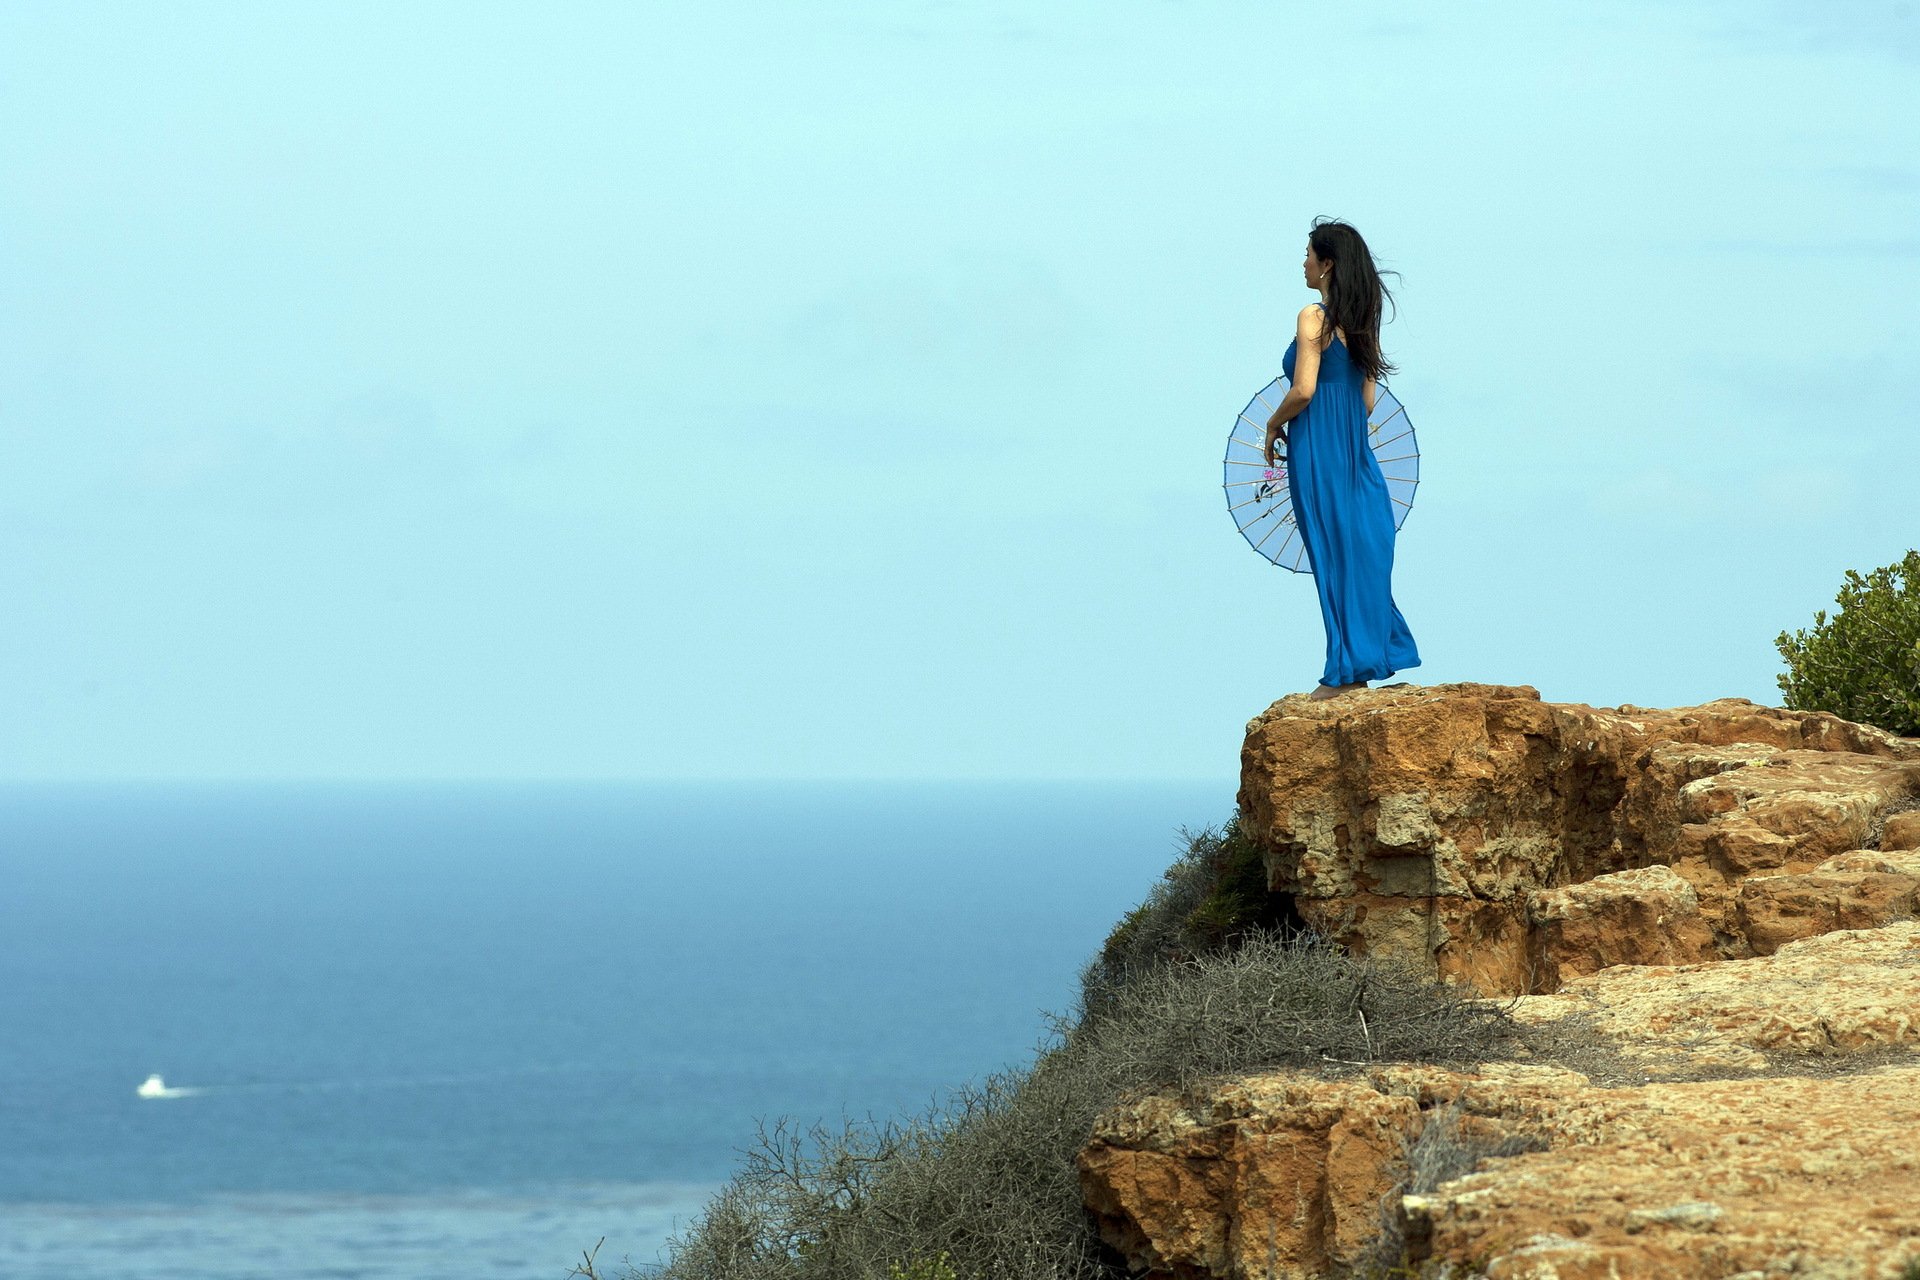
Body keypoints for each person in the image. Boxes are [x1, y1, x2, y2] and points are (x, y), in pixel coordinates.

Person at [1262, 218, 1420, 701]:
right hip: (1354, 451)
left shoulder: (1314, 317)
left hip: (1316, 450)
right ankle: (1356, 664)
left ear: (1327, 264)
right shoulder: (1360, 321)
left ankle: (1344, 672)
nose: (1303, 262)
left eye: (1309, 254)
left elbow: (1304, 388)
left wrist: (1273, 424)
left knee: (1332, 555)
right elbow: (1367, 401)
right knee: (1361, 550)